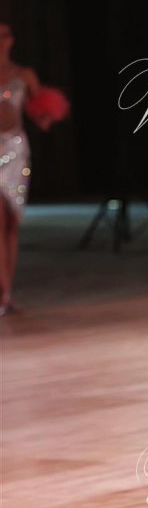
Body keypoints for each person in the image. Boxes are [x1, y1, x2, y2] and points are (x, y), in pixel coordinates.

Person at [0, 21, 51, 316]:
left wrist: (47, 115)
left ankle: (8, 291)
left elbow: (39, 111)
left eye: (5, 35)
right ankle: (3, 292)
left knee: (11, 222)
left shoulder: (24, 75)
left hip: (16, 150)